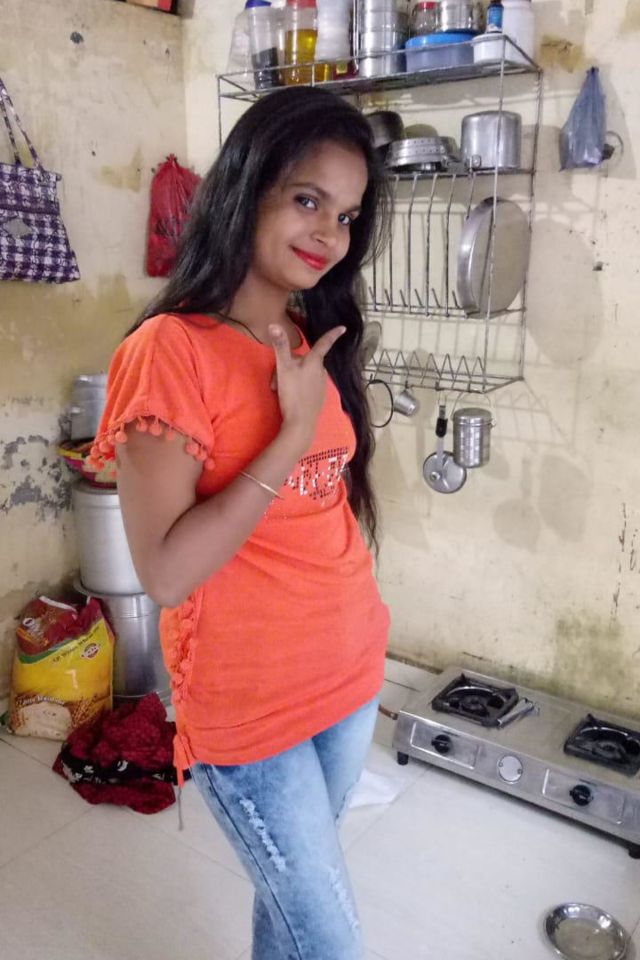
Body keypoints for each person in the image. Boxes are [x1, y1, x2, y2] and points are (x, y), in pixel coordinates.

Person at [90, 85, 391, 960]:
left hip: (350, 670)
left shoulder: (309, 333)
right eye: (308, 199)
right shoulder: (169, 351)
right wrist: (289, 432)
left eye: (347, 215)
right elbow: (167, 573)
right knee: (329, 938)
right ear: (247, 188)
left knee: (290, 916)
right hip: (251, 707)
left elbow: (323, 504)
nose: (329, 233)